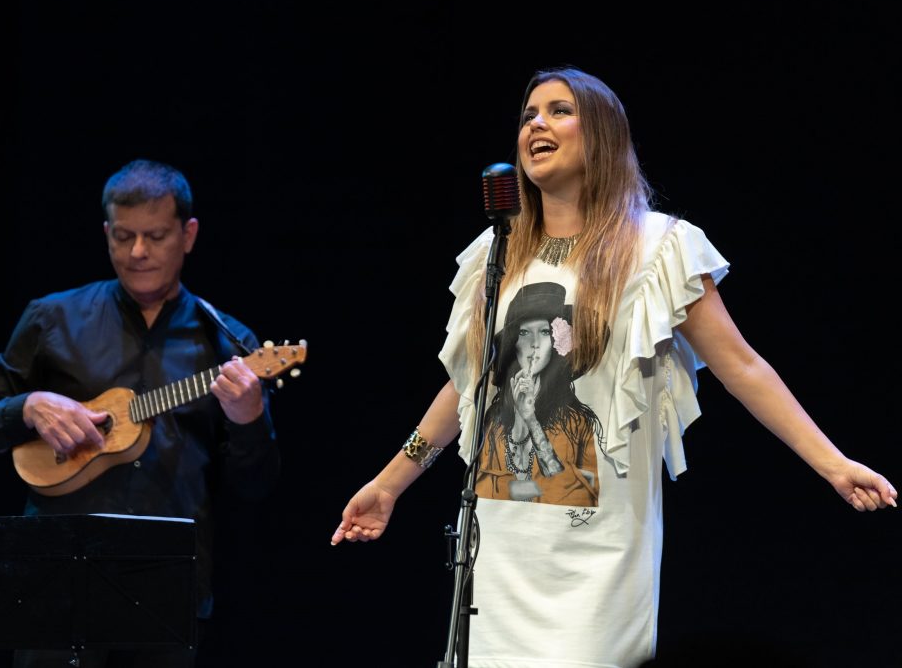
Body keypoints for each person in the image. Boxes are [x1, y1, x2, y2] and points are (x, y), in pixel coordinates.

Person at [330, 67, 897, 668]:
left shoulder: (659, 247)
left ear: (600, 134)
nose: (536, 124)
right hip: (502, 549)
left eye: (558, 111)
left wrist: (832, 462)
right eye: (528, 115)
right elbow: (470, 385)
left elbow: (742, 366)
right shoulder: (498, 252)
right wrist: (390, 483)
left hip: (597, 552)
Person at [0, 159, 280, 668]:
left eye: (155, 236)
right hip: (57, 575)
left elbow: (257, 485)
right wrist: (28, 405)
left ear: (188, 234)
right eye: (123, 236)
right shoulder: (51, 318)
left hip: (168, 584)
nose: (137, 252)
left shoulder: (227, 341)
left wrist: (248, 416)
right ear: (106, 231)